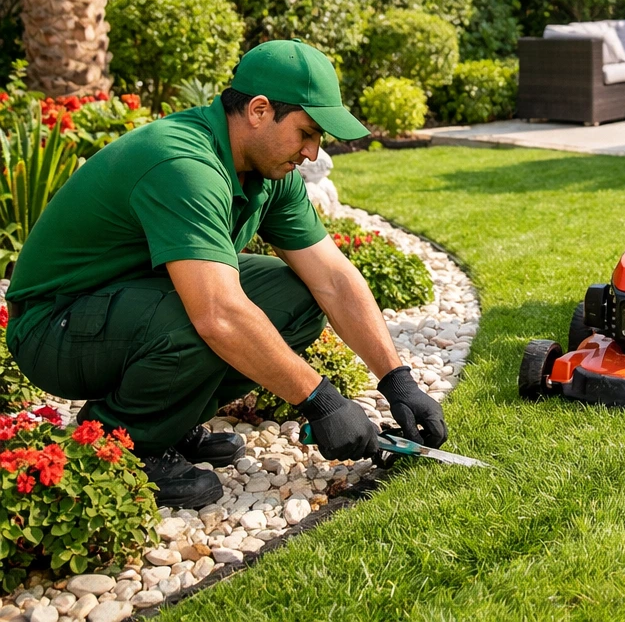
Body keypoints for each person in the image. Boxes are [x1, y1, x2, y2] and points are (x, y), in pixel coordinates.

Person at [4, 40, 447, 507]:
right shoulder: (185, 165)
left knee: (293, 297)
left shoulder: (269, 173)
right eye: (306, 132)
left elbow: (333, 278)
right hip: (54, 327)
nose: (313, 152)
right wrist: (322, 402)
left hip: (126, 303)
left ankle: (168, 420)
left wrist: (399, 382)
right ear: (259, 110)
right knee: (213, 315)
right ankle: (128, 441)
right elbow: (218, 315)